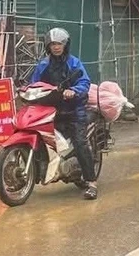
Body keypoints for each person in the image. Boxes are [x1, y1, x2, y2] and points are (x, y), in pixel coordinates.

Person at [30, 27, 98, 200]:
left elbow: (84, 82)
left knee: (80, 142)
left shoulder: (74, 63)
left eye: (59, 43)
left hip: (74, 110)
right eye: (53, 44)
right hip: (52, 110)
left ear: (65, 45)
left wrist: (73, 90)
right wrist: (26, 90)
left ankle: (92, 183)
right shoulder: (43, 65)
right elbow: (34, 84)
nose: (56, 47)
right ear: (48, 46)